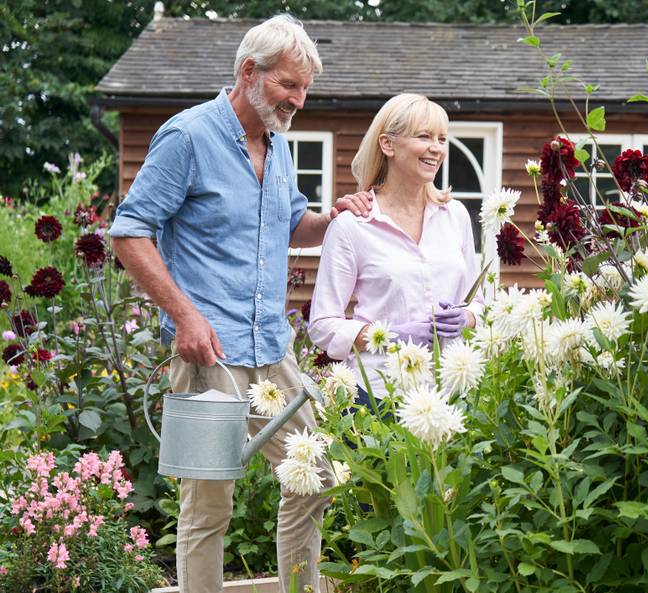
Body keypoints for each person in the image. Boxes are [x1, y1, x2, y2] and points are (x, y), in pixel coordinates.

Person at [108, 15, 371, 593]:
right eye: (288, 85)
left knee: (316, 477)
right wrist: (184, 315)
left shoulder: (278, 148)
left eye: (305, 89)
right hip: (210, 354)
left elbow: (289, 225)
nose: (299, 100)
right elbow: (129, 232)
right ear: (249, 71)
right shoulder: (188, 137)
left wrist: (332, 219)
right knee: (208, 507)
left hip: (274, 351)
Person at [308, 94, 485, 402]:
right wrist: (394, 336)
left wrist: (465, 318)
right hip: (379, 396)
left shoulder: (454, 216)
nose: (437, 148)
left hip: (453, 393)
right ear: (388, 145)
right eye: (424, 136)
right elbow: (323, 325)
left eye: (442, 139)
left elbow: (478, 303)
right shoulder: (353, 226)